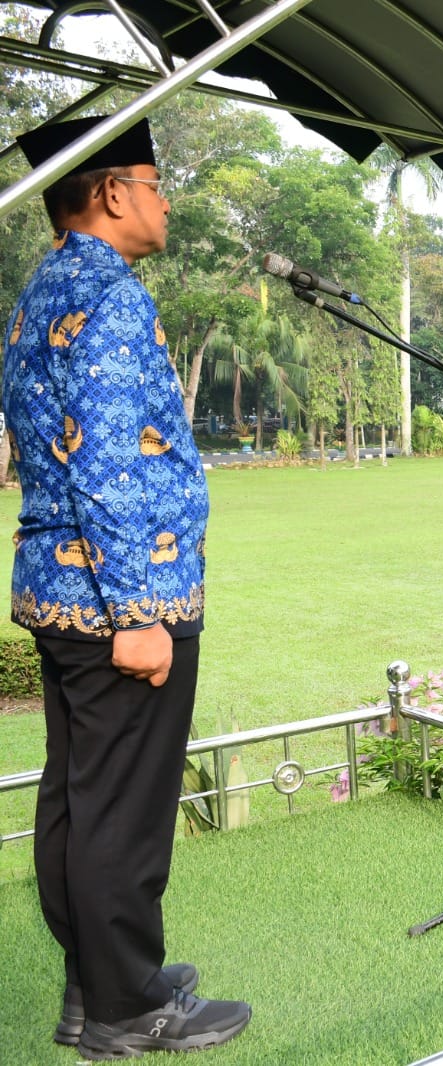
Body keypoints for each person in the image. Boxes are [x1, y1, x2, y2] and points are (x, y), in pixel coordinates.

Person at [4, 116, 251, 1058]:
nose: (164, 199)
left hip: (58, 590)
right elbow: (108, 465)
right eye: (154, 180)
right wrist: (141, 614)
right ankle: (127, 1008)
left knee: (76, 798)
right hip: (120, 599)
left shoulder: (41, 292)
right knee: (124, 812)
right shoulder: (106, 297)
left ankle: (93, 988)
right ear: (111, 192)